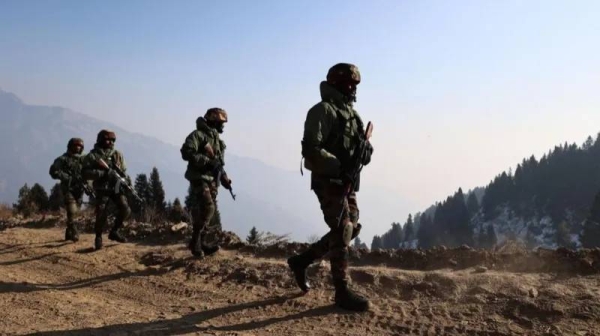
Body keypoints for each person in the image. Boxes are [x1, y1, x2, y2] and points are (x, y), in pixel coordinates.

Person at [287, 63, 374, 311]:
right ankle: (341, 291)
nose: (353, 89)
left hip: (346, 181)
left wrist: (365, 152)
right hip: (328, 180)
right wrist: (338, 164)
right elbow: (311, 150)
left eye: (355, 85)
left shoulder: (353, 116)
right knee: (343, 228)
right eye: (349, 84)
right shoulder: (322, 111)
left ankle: (301, 261)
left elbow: (361, 152)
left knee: (350, 227)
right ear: (337, 84)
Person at [180, 108, 232, 258]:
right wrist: (207, 161)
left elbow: (219, 165)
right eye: (221, 122)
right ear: (213, 120)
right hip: (199, 177)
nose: (222, 126)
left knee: (208, 211)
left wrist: (225, 179)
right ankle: (194, 242)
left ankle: (201, 243)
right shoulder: (198, 135)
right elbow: (186, 152)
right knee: (208, 208)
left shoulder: (218, 142)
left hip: (212, 180)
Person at [82, 130, 131, 250]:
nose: (110, 142)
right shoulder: (93, 156)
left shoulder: (117, 154)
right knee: (101, 214)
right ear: (100, 140)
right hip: (101, 188)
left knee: (125, 209)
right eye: (107, 140)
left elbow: (123, 171)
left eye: (112, 140)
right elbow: (85, 173)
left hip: (116, 187)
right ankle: (98, 237)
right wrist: (102, 173)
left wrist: (126, 182)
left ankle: (115, 231)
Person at [49, 138, 87, 242]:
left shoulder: (84, 159)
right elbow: (53, 171)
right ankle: (74, 231)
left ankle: (69, 230)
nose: (78, 148)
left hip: (80, 190)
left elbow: (90, 171)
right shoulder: (63, 159)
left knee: (75, 212)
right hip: (68, 188)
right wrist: (67, 177)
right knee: (71, 210)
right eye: (75, 146)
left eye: (80, 146)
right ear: (70, 146)